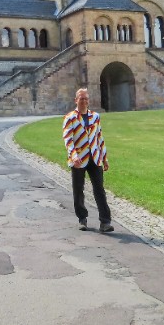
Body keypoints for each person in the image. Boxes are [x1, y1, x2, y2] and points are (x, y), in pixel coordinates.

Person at [62, 88, 113, 233]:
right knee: (78, 189)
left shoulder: (95, 116)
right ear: (76, 100)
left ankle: (105, 222)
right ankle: (82, 219)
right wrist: (73, 155)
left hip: (95, 157)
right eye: (81, 98)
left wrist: (105, 158)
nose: (84, 101)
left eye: (86, 99)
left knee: (99, 190)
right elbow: (68, 139)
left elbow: (99, 138)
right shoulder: (70, 117)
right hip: (79, 158)